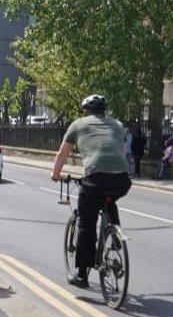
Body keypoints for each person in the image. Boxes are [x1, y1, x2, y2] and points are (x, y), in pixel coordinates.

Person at [51, 94, 131, 288]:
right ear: (104, 111)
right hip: (122, 178)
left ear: (85, 110)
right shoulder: (117, 125)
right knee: (109, 199)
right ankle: (114, 232)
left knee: (86, 224)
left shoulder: (78, 125)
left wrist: (56, 174)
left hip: (95, 177)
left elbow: (63, 153)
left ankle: (81, 275)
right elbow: (113, 150)